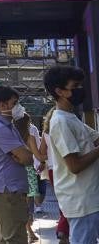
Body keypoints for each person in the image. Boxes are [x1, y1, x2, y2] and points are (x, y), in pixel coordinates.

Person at [44, 64, 99, 243]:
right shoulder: (60, 121)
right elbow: (74, 165)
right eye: (74, 86)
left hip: (89, 198)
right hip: (81, 201)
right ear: (59, 91)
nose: (79, 89)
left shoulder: (71, 117)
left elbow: (95, 139)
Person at [0, 86, 34, 244]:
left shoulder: (8, 125)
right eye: (15, 103)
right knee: (15, 238)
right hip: (8, 191)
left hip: (11, 190)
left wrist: (23, 156)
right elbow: (27, 157)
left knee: (10, 237)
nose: (18, 107)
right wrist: (23, 156)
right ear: (2, 105)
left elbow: (25, 156)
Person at [15, 114, 47, 242]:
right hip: (29, 171)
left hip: (15, 172)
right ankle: (29, 231)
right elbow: (38, 155)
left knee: (19, 205)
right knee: (27, 205)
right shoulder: (30, 136)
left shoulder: (11, 135)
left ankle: (27, 231)